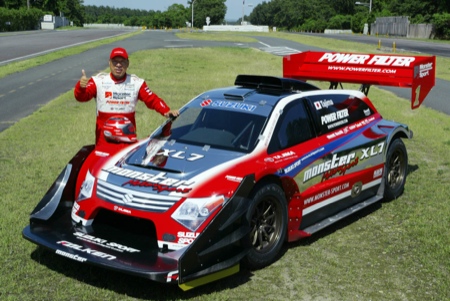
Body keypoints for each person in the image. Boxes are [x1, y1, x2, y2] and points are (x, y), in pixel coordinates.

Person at [74, 47, 179, 147]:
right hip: (104, 143)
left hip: (127, 143)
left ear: (127, 63)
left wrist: (166, 111)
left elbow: (152, 99)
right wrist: (81, 87)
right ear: (109, 63)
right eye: (115, 61)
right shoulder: (98, 81)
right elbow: (81, 97)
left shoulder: (136, 83)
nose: (118, 65)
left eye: (122, 62)